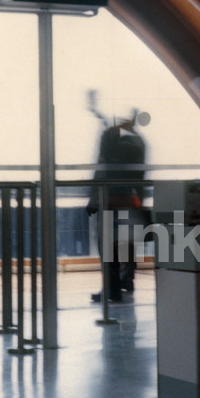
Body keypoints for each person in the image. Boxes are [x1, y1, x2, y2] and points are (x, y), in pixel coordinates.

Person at [86, 112, 147, 303]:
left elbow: (100, 174)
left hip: (109, 202)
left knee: (107, 248)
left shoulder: (109, 153)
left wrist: (92, 200)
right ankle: (126, 281)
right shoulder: (133, 147)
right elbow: (140, 174)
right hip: (127, 202)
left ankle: (112, 288)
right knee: (126, 244)